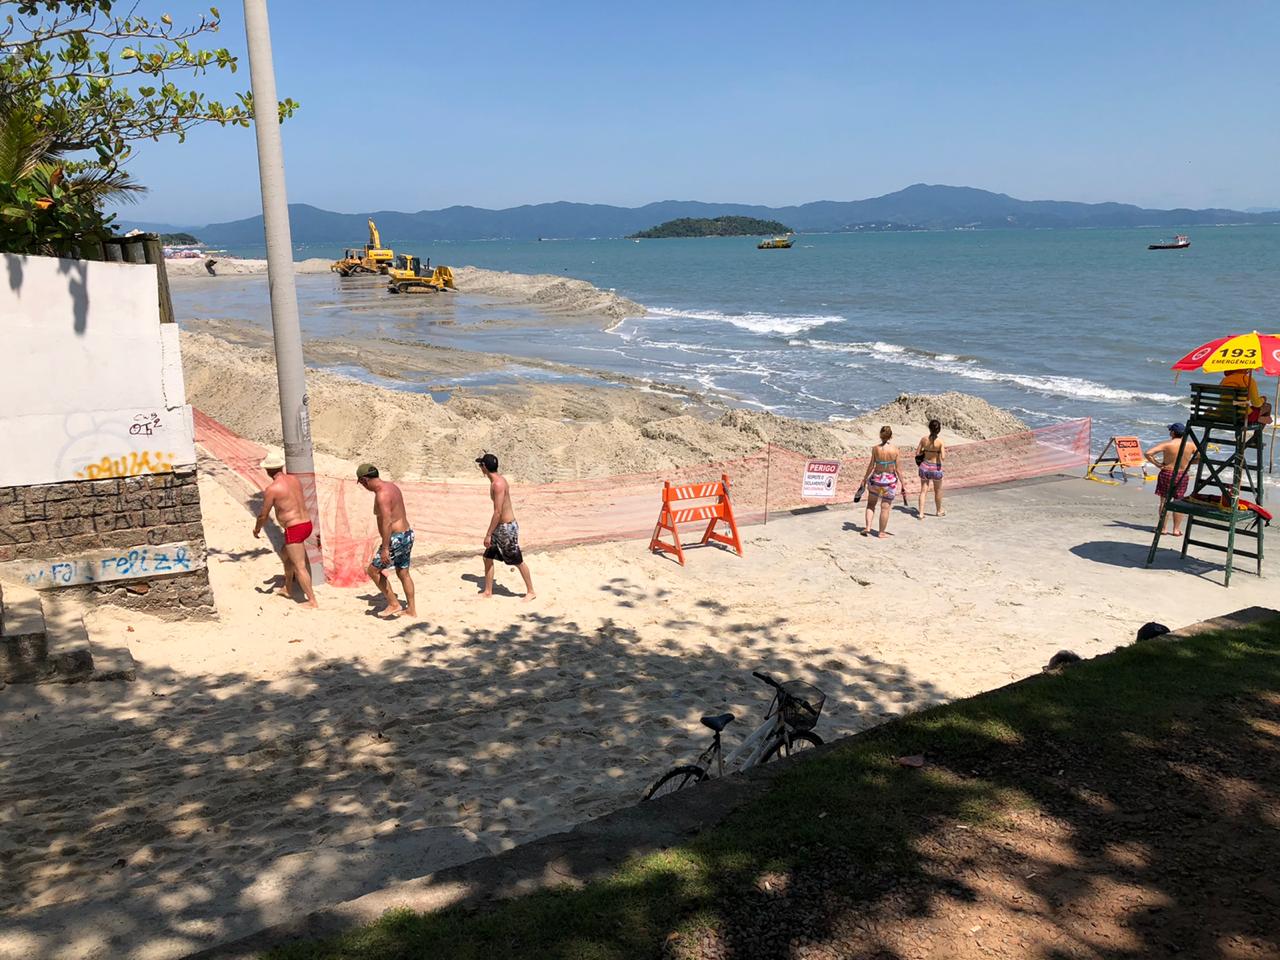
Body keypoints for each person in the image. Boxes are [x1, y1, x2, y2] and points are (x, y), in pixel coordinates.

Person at [252, 453, 318, 608]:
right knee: (285, 554)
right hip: (306, 524)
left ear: (268, 471)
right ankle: (288, 587)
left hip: (293, 528)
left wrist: (257, 529)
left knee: (299, 566)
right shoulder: (294, 479)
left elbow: (263, 514)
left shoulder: (272, 489)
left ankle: (312, 601)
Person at [356, 463, 416, 618]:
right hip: (407, 533)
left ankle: (393, 603)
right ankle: (411, 609)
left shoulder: (382, 494)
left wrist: (385, 547)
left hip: (395, 538)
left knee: (373, 570)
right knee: (403, 572)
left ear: (364, 480)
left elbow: (387, 522)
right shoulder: (391, 486)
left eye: (362, 483)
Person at [476, 453, 536, 601]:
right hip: (500, 527)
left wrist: (488, 534)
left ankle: (531, 591)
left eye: (480, 465)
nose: (479, 468)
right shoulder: (498, 480)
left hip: (506, 528)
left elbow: (498, 512)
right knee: (487, 557)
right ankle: (488, 591)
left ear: (484, 467)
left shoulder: (498, 484)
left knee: (517, 560)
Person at [1145, 423, 1196, 537]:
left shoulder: (1167, 444)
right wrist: (1190, 463)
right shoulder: (1190, 445)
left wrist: (1158, 464)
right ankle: (1176, 529)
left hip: (1167, 472)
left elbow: (1148, 453)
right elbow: (1201, 457)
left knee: (1164, 501)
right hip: (1182, 474)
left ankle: (1163, 528)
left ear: (1173, 433)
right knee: (1179, 501)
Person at [859, 426, 904, 539]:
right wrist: (903, 483)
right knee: (885, 508)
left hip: (876, 480)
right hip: (889, 482)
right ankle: (881, 532)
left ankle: (868, 527)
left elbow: (871, 466)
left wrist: (864, 479)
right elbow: (898, 469)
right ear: (891, 436)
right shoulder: (895, 450)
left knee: (870, 504)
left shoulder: (875, 449)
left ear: (880, 435)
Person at [915, 418, 946, 519]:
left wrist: (926, 452)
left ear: (929, 428)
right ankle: (939, 510)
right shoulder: (940, 442)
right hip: (935, 467)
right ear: (939, 429)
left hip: (924, 466)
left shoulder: (924, 439)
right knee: (938, 490)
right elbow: (943, 457)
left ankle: (921, 513)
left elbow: (917, 453)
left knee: (923, 490)